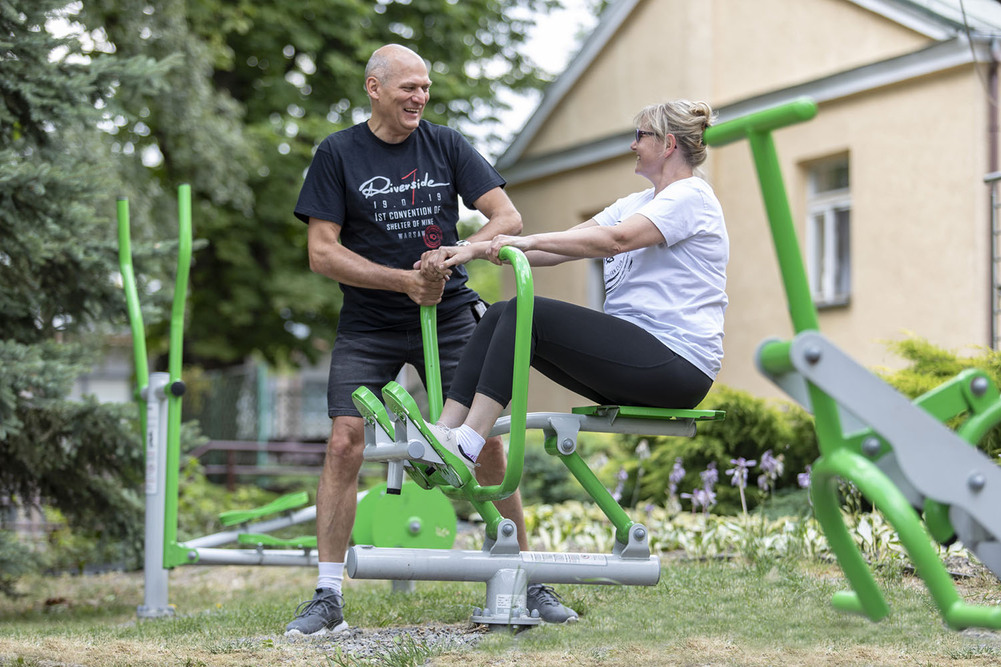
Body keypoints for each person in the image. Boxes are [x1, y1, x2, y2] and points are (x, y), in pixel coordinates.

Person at [285, 44, 578, 636]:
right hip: (369, 321)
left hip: (448, 313)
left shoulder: (444, 144)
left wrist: (458, 252)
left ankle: (526, 580)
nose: (420, 96)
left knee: (486, 440)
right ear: (374, 88)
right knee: (344, 442)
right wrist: (403, 281)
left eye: (425, 87)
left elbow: (508, 217)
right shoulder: (337, 154)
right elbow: (321, 252)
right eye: (407, 87)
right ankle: (326, 597)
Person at [418, 100, 728, 489]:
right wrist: (472, 248)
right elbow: (562, 245)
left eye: (640, 135)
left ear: (667, 144)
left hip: (677, 365)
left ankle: (467, 444)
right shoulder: (636, 203)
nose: (632, 145)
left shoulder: (691, 196)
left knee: (524, 313)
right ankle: (442, 435)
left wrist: (524, 239)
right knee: (500, 314)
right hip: (642, 356)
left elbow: (615, 241)